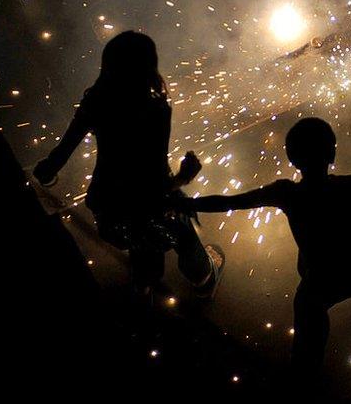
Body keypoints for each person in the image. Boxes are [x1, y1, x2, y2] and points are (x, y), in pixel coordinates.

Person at [175, 117, 351, 370]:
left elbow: (229, 202)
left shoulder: (287, 193)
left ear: (293, 158)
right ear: (332, 152)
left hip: (321, 278)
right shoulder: (350, 186)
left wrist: (189, 203)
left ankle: (305, 378)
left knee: (307, 312)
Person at [33, 31, 222, 296]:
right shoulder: (156, 108)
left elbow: (60, 154)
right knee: (180, 220)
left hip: (107, 210)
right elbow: (153, 183)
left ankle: (144, 289)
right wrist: (183, 177)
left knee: (142, 244)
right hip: (142, 212)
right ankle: (203, 280)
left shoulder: (95, 101)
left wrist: (45, 171)